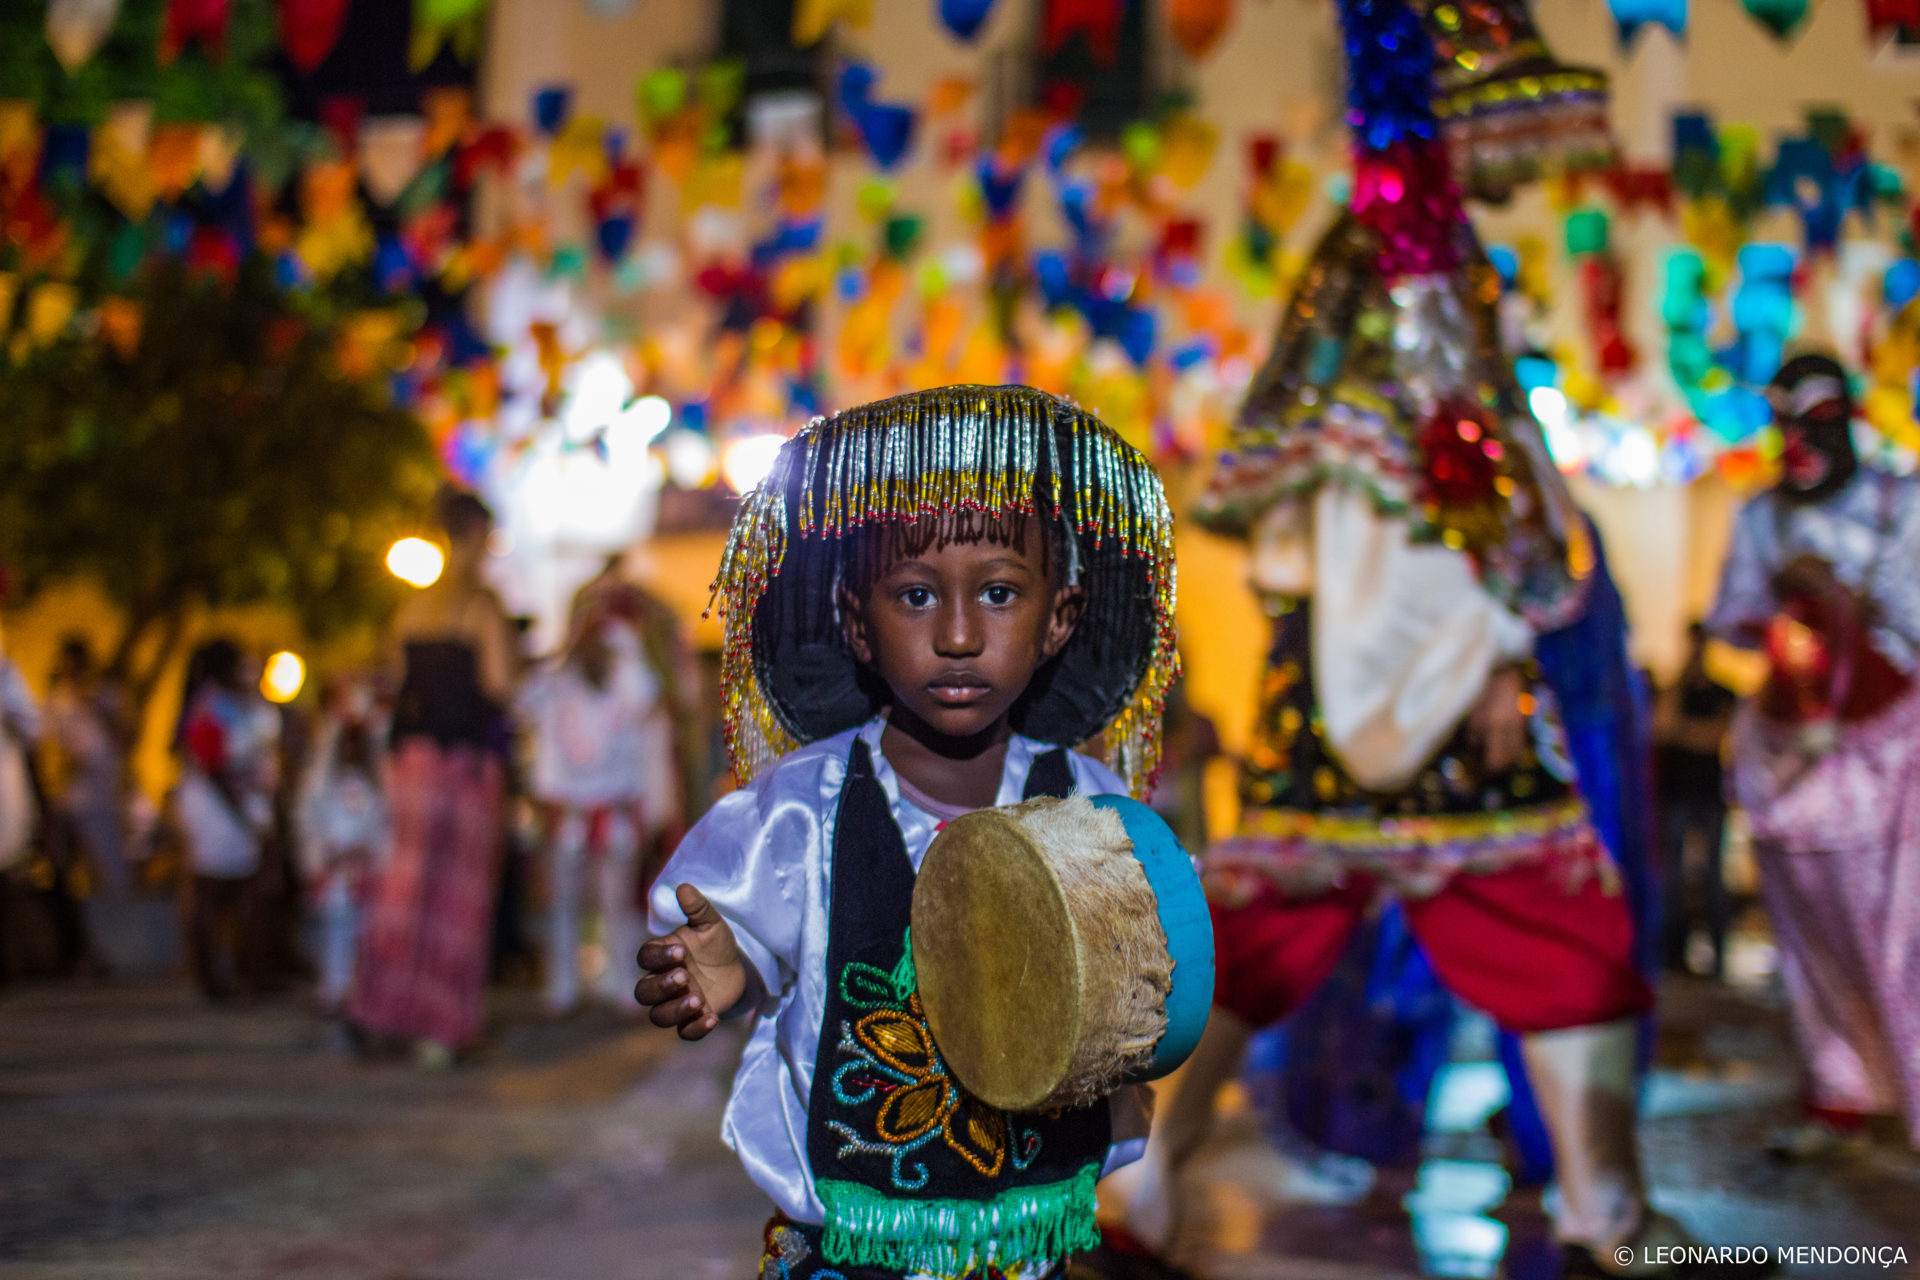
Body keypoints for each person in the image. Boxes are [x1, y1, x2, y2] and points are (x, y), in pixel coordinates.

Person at [1113, 5, 1736, 1276]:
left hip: (1334, 652)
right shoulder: (1420, 263)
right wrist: (1515, 628)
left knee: (1271, 918)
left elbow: (1332, 472)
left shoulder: (1369, 254)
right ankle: (1606, 1212)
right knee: (1552, 916)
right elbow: (1462, 468)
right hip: (1432, 656)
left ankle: (1144, 1182)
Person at [637, 385, 1180, 1279]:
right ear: (858, 622)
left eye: (999, 593)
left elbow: (1149, 980)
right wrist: (728, 968)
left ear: (1060, 617)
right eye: (917, 596)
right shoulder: (801, 809)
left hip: (1027, 1249)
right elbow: (740, 934)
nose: (959, 635)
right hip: (847, 1257)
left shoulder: (1089, 807)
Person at [1707, 352, 1920, 1155]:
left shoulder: (1904, 502)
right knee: (1813, 931)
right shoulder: (1760, 517)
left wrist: (1857, 604)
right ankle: (1841, 1088)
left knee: (1905, 927)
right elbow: (1730, 616)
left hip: (1897, 752)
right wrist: (1784, 612)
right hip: (1793, 758)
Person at [350, 488, 518, 1069]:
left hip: (411, 763)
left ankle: (381, 1012)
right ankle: (443, 1027)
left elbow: (394, 678)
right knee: (457, 893)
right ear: (474, 535)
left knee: (403, 887)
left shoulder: (411, 606)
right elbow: (499, 686)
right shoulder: (480, 604)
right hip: (463, 764)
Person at [518, 603, 673, 1015]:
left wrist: (622, 643)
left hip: (614, 806)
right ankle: (563, 986)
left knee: (617, 900)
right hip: (567, 808)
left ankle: (621, 983)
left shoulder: (627, 679)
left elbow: (647, 695)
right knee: (563, 899)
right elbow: (523, 701)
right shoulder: (557, 682)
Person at [174, 639, 278, 1000]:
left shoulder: (230, 703)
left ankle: (246, 970)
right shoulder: (212, 705)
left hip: (234, 806)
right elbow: (212, 766)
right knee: (213, 891)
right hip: (218, 810)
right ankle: (214, 978)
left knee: (240, 892)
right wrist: (243, 815)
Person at [297, 679, 388, 1012]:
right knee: (335, 928)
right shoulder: (322, 779)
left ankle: (362, 990)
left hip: (365, 865)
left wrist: (373, 855)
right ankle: (333, 988)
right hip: (335, 864)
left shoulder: (376, 780)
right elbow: (309, 817)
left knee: (367, 932)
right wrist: (319, 859)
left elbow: (384, 820)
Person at [1654, 623, 1736, 980]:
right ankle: (1674, 952)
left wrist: (1682, 732)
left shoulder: (1722, 692)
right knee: (1672, 875)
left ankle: (1718, 953)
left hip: (1709, 794)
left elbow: (1710, 738)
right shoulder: (1676, 690)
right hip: (1677, 793)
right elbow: (1661, 727)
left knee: (1714, 877)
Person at [42, 636, 134, 900]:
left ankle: (117, 916)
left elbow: (127, 737)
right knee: (62, 863)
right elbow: (47, 747)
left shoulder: (106, 695)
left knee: (110, 861)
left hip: (102, 794)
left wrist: (99, 709)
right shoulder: (56, 701)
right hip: (67, 793)